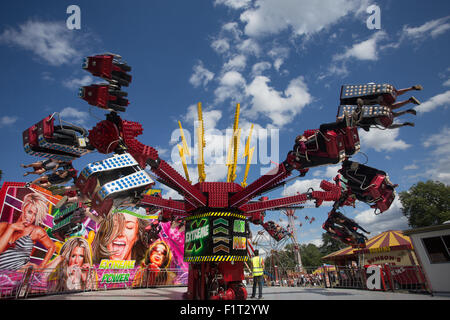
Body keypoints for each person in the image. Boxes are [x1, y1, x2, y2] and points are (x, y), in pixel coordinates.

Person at [0, 192, 56, 271]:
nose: (31, 218)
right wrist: (11, 228)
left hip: (19, 274)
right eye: (29, 212)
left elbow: (52, 247)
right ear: (23, 208)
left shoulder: (36, 231)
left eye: (35, 215)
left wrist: (42, 266)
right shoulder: (4, 226)